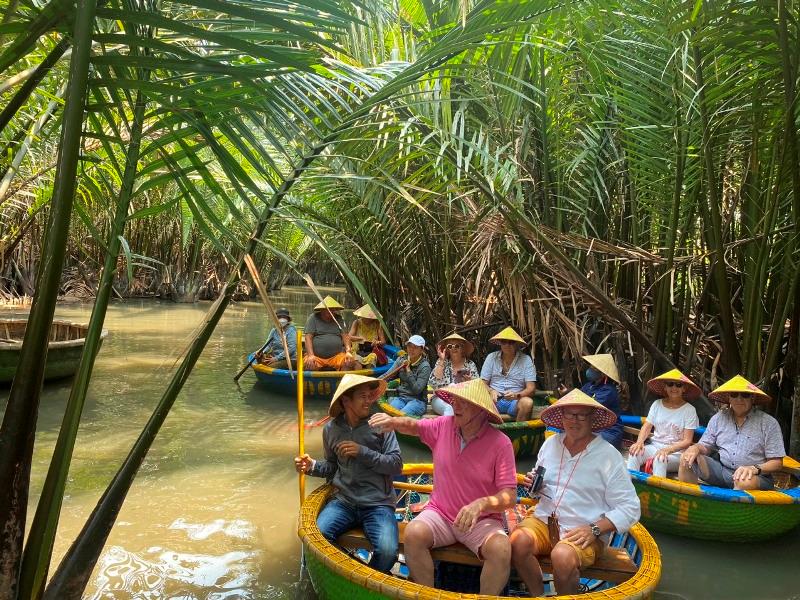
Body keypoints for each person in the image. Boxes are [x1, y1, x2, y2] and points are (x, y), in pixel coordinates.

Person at [368, 379, 517, 595]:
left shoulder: (500, 443)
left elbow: (509, 496)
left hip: (481, 521)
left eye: (463, 402)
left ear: (481, 410)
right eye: (455, 400)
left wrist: (481, 505)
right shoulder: (443, 426)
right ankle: (428, 595)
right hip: (441, 514)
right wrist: (392, 421)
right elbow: (414, 426)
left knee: (502, 549)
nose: (455, 406)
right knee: (413, 534)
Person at [510, 389, 640, 596]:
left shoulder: (609, 456)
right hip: (544, 520)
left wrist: (595, 529)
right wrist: (535, 486)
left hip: (584, 529)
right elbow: (537, 494)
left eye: (582, 415)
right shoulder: (550, 444)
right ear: (561, 417)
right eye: (569, 414)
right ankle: (539, 595)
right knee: (517, 542)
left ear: (592, 419)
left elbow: (631, 508)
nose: (575, 420)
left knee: (562, 556)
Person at [294, 374, 402, 573]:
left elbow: (396, 465)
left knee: (388, 552)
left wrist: (363, 452)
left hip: (378, 503)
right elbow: (332, 467)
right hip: (344, 501)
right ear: (346, 400)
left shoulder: (381, 424)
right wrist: (312, 466)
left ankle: (366, 581)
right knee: (318, 537)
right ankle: (346, 573)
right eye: (363, 396)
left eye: (371, 395)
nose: (369, 400)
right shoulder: (331, 429)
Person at [678, 375, 785, 490]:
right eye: (734, 395)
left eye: (745, 395)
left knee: (743, 481)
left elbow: (777, 462)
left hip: (755, 476)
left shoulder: (768, 423)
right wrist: (696, 448)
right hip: (722, 470)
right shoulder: (718, 418)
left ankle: (731, 508)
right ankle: (689, 503)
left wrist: (755, 468)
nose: (739, 399)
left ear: (752, 398)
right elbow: (705, 445)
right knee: (686, 458)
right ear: (729, 398)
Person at [626, 369, 699, 478]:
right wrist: (639, 442)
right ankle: (630, 488)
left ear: (684, 388)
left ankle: (657, 493)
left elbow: (687, 441)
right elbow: (647, 426)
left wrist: (668, 450)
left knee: (660, 459)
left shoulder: (690, 410)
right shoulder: (657, 404)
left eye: (678, 385)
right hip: (655, 446)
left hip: (676, 453)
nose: (674, 388)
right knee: (634, 453)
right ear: (665, 387)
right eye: (670, 384)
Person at [559, 354, 623, 448]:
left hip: (608, 431)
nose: (590, 370)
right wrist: (567, 392)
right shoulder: (589, 385)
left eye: (594, 369)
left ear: (603, 373)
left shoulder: (608, 390)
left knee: (585, 443)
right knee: (563, 434)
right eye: (590, 367)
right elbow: (579, 396)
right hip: (590, 428)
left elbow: (589, 406)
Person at [480, 326, 536, 421]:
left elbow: (531, 388)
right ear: (500, 343)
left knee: (527, 403)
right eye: (504, 342)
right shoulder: (491, 357)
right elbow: (482, 383)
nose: (507, 345)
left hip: (515, 400)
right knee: (474, 402)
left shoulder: (526, 359)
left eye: (511, 342)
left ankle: (519, 434)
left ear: (517, 344)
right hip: (493, 400)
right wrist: (491, 391)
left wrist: (516, 395)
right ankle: (489, 434)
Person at [429, 333, 480, 416]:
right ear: (447, 349)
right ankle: (449, 428)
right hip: (441, 399)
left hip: (464, 399)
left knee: (463, 409)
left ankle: (451, 428)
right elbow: (433, 383)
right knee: (451, 407)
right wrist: (442, 360)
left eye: (457, 346)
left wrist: (470, 381)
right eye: (450, 346)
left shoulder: (470, 364)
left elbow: (477, 387)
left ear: (462, 348)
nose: (453, 348)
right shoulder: (441, 362)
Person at [303, 295, 358, 371]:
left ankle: (342, 382)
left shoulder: (339, 318)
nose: (330, 311)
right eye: (328, 309)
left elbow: (345, 336)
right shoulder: (313, 318)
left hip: (336, 356)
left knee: (348, 362)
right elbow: (308, 338)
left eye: (332, 309)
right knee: (310, 364)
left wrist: (348, 351)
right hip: (316, 356)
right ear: (322, 309)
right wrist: (311, 355)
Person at [388, 335, 432, 416]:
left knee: (402, 415)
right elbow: (388, 375)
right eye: (409, 346)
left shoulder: (425, 366)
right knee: (390, 411)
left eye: (415, 347)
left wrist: (408, 371)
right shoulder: (401, 360)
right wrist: (372, 382)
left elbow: (417, 389)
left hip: (418, 402)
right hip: (401, 398)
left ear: (421, 349)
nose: (411, 349)